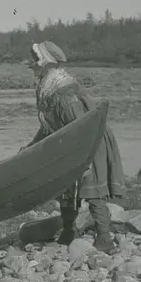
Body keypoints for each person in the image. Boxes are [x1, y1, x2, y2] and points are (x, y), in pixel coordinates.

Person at [24, 41, 124, 252]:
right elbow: (49, 126)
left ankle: (104, 238)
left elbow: (81, 125)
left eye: (34, 60)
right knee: (66, 189)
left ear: (45, 63)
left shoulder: (65, 95)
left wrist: (82, 159)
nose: (31, 64)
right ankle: (69, 232)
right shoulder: (50, 89)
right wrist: (32, 146)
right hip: (73, 143)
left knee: (92, 190)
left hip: (90, 142)